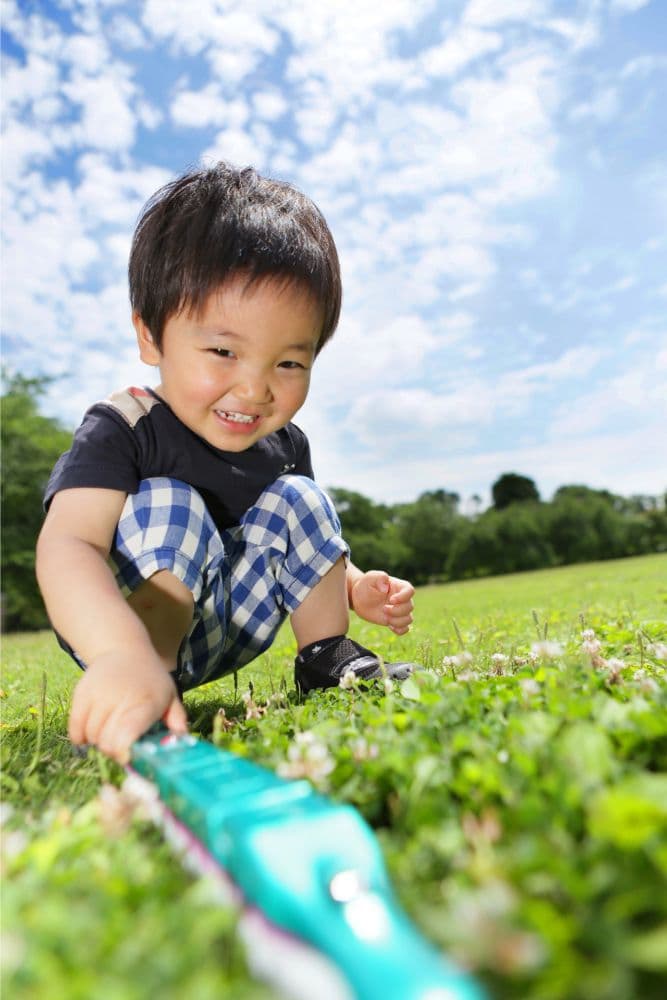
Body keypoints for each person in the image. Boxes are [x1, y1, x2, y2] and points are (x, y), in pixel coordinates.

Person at [36, 161, 417, 766]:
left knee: (300, 498)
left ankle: (326, 660)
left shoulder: (286, 445)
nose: (255, 388)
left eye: (288, 363)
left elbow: (302, 545)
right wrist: (117, 652)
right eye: (222, 350)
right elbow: (69, 545)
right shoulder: (124, 427)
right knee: (173, 501)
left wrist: (354, 585)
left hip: (229, 624)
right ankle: (145, 681)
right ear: (150, 336)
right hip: (128, 630)